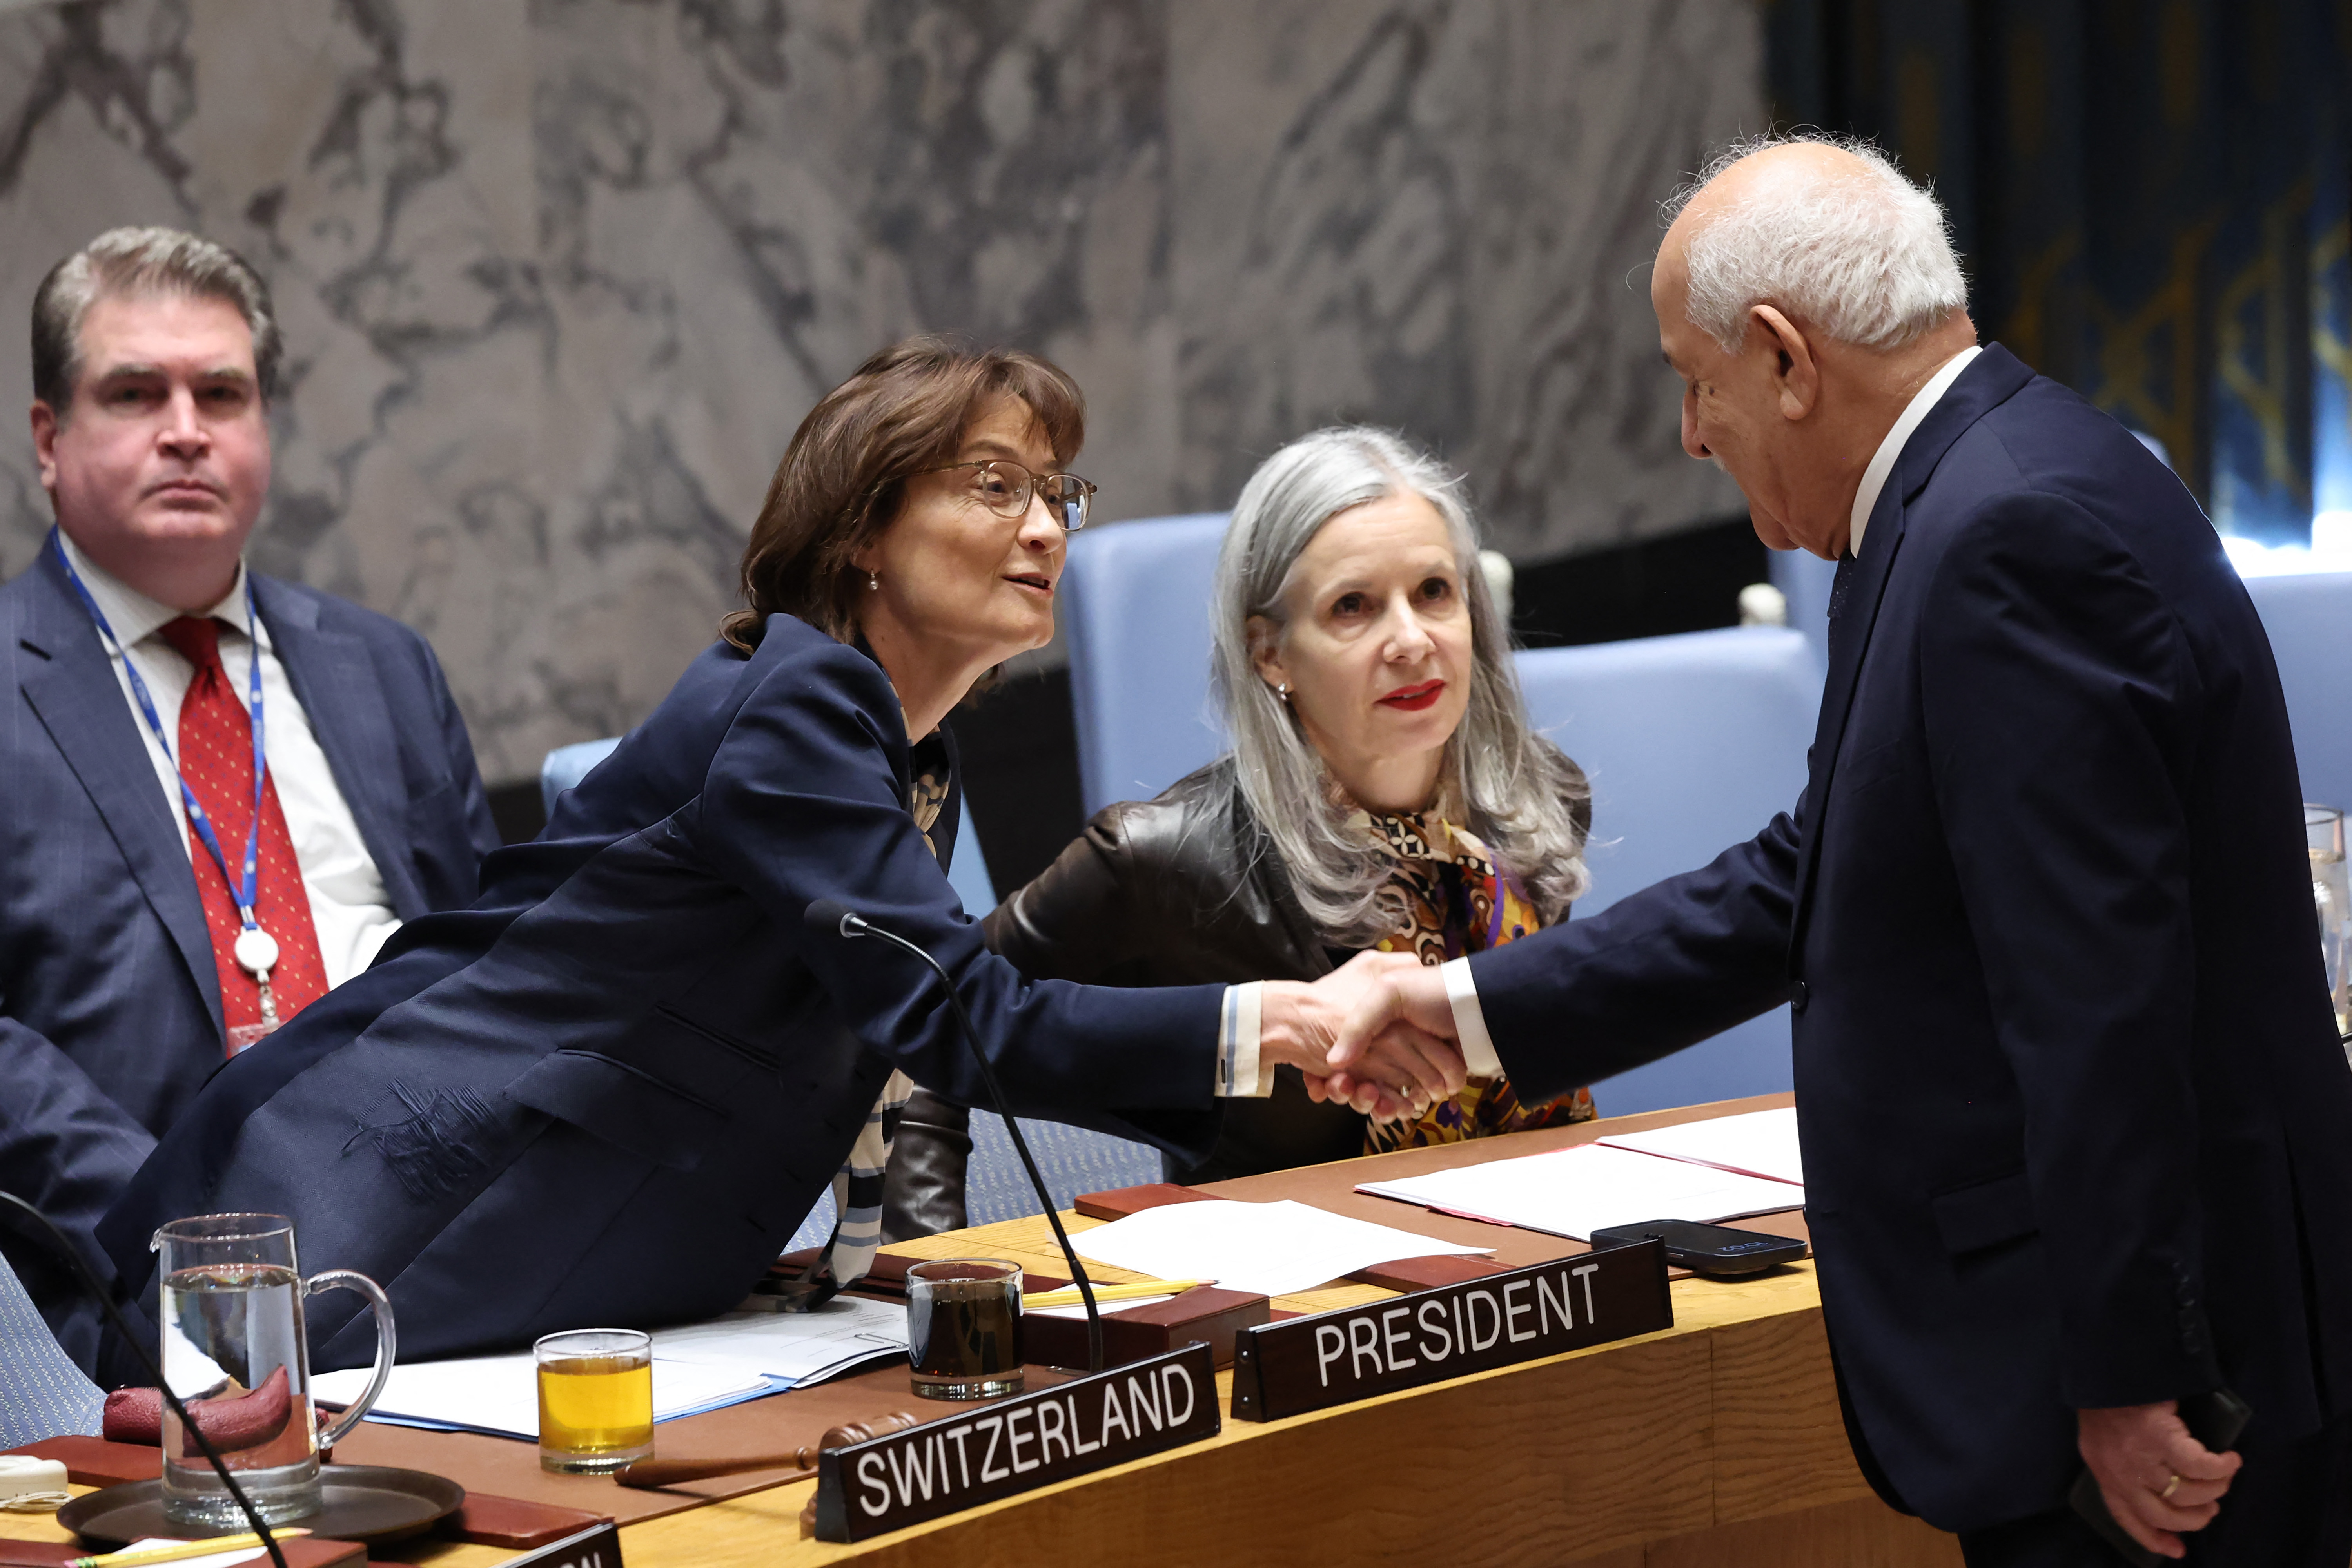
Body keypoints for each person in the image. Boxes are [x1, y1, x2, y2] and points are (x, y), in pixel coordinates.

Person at [1325, 135, 2352, 1566]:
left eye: (1697, 379)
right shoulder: (1990, 481)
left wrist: (2129, 1369)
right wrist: (1476, 1007)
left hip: (2151, 1382)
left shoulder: (2003, 538)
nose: (1693, 433)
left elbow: (2097, 1001)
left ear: (1785, 358)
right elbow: (1822, 865)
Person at [95, 337, 1463, 1384]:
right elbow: (951, 1017)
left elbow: (862, 1040)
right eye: (996, 488)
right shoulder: (799, 705)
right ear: (863, 532)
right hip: (369, 1221)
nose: (1047, 528)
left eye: (1058, 494)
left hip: (589, 1258)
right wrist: (1274, 1022)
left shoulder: (905, 746)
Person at [882, 427, 1593, 1236]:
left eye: (1434, 591)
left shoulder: (1537, 804)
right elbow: (931, 1037)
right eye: (1353, 607)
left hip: (1550, 1248)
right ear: (1270, 653)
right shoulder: (1165, 858)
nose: (1410, 640)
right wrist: (932, 1278)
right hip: (1306, 1305)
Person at [0, 227, 497, 1373]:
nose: (186, 428)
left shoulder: (386, 669)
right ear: (49, 437)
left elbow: (492, 961)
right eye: (134, 391)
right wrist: (196, 1228)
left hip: (450, 1253)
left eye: (221, 392)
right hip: (127, 1303)